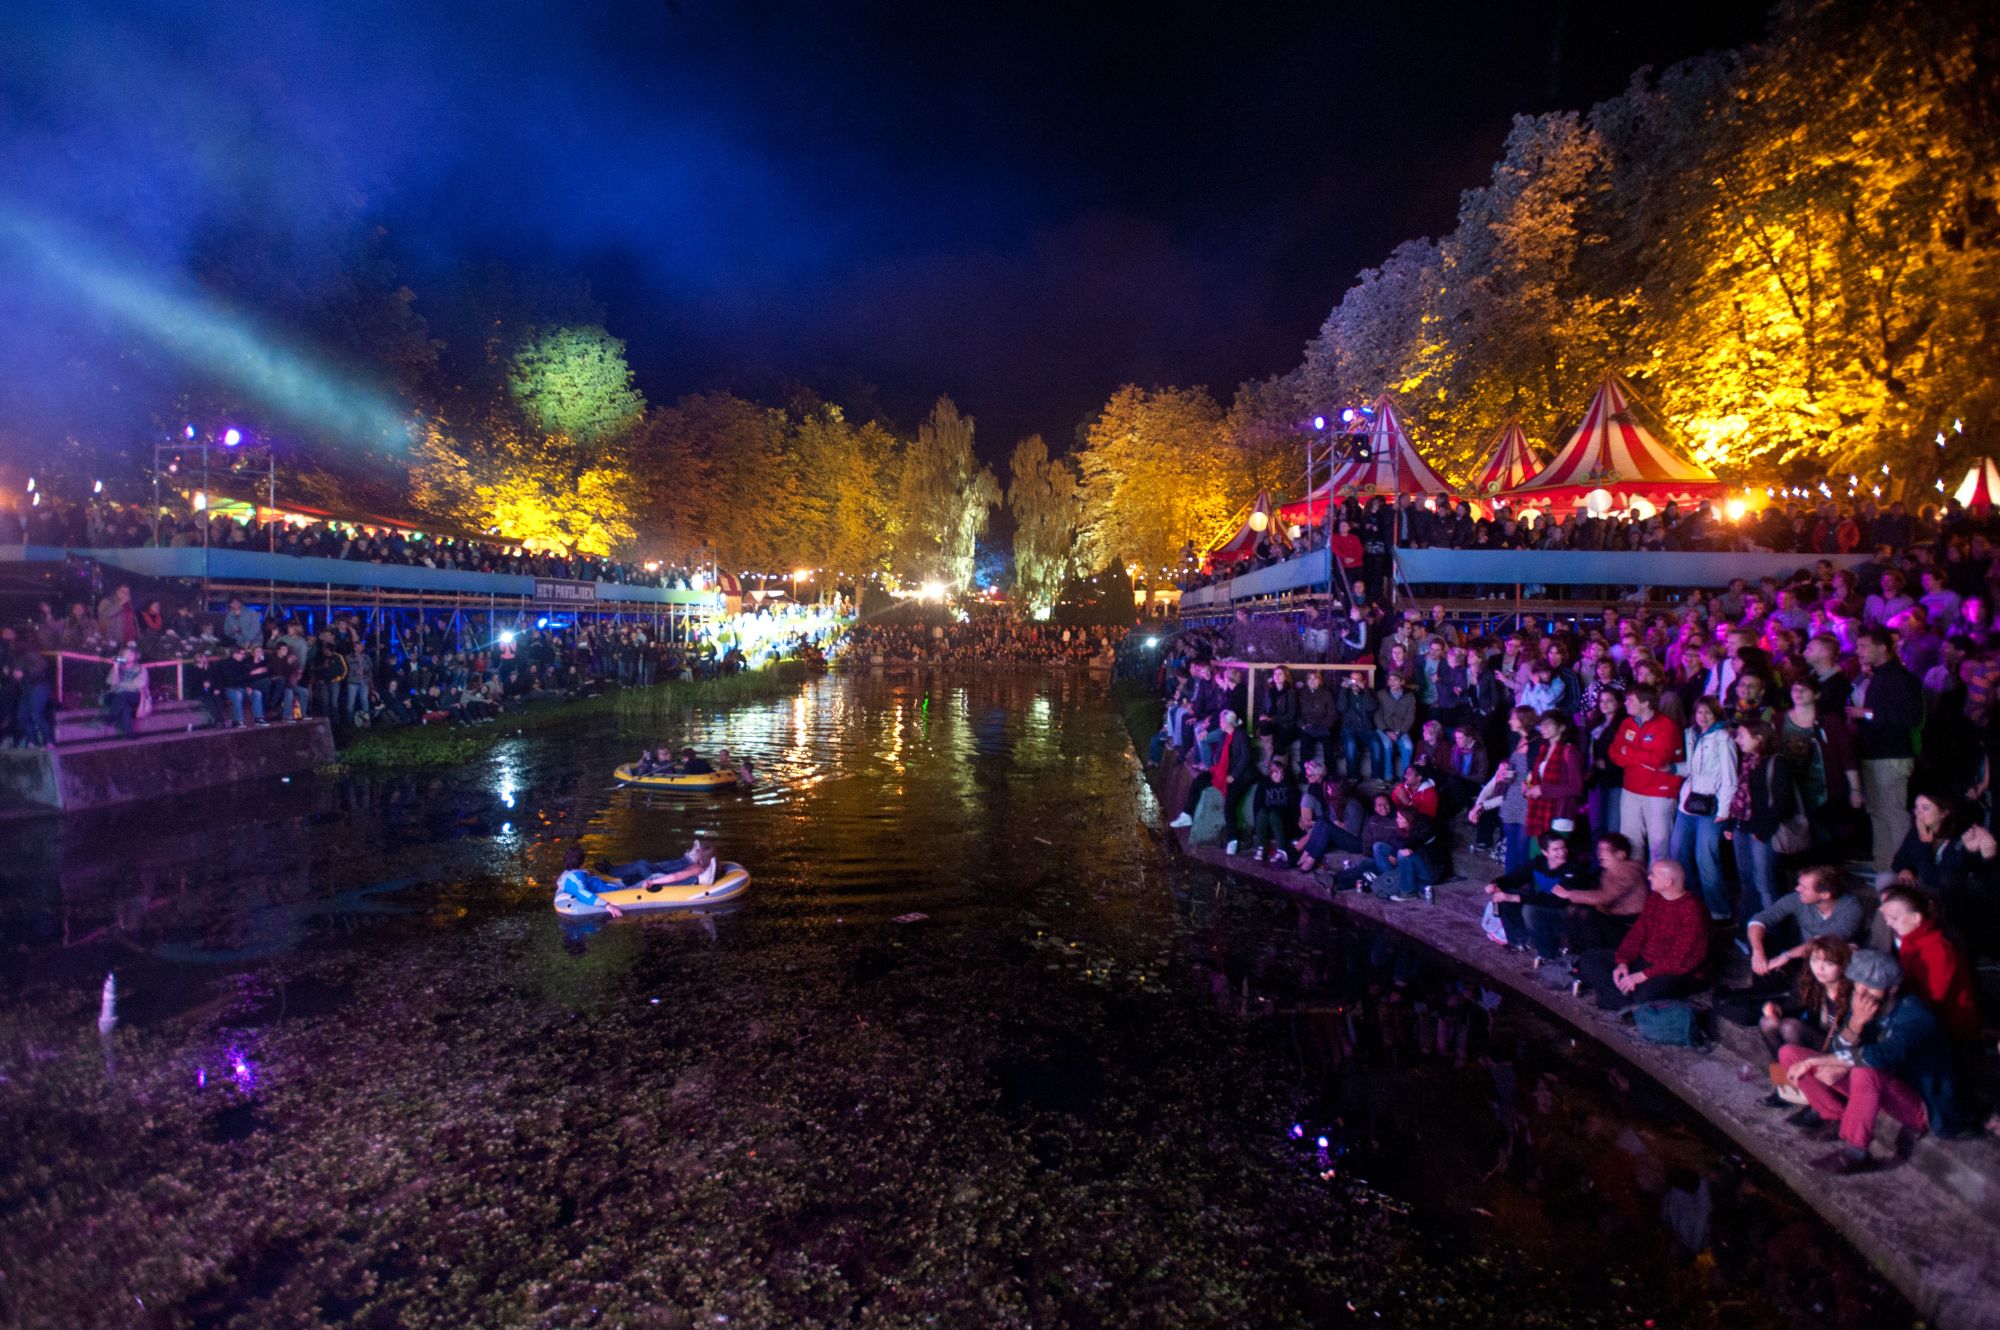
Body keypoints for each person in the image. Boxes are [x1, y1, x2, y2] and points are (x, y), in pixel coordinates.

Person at [1778, 948, 1962, 1174]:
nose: (1862, 992)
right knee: (1790, 1053)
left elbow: (1886, 1054)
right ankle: (1835, 1117)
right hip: (1873, 1092)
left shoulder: (1915, 1016)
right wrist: (1855, 1022)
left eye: (1870, 986)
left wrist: (1833, 1062)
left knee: (1863, 1071)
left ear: (1892, 988)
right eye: (1858, 984)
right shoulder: (1861, 1007)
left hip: (1918, 1104)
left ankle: (1855, 1153)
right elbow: (1837, 1047)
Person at [1573, 858, 1709, 1011]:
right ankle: (1625, 1001)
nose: (1649, 877)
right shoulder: (1655, 899)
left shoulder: (1693, 911)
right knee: (1589, 959)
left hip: (1676, 971)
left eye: (1653, 875)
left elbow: (1682, 959)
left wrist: (1642, 975)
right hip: (1645, 960)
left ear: (1668, 882)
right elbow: (1638, 934)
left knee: (1649, 992)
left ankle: (1616, 998)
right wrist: (1623, 962)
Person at [1848, 626, 1923, 873]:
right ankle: (1885, 868)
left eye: (1864, 646)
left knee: (1892, 813)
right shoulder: (1877, 677)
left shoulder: (1900, 678)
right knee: (1877, 813)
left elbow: (1909, 717)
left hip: (1892, 756)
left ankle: (1904, 870)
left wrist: (1864, 714)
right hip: (1874, 754)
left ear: (1883, 647)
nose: (1859, 651)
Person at [1876, 886, 1981, 1043]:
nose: (1889, 924)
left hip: (1947, 1026)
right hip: (1919, 1010)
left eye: (1894, 918)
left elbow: (1933, 998)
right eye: (1886, 919)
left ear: (1916, 918)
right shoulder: (1911, 939)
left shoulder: (1938, 949)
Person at [1723, 721, 1801, 924]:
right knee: (1746, 879)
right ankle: (1751, 924)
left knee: (1763, 882)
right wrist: (1732, 824)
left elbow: (1782, 802)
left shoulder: (1777, 762)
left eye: (1741, 735)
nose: (1737, 740)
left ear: (1759, 738)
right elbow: (1740, 794)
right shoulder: (1748, 760)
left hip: (1762, 832)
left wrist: (1763, 831)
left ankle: (1774, 930)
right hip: (1743, 828)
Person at [1670, 696, 1738, 921]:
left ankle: (1719, 911)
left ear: (1716, 714)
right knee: (1678, 852)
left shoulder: (1723, 738)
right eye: (1700, 712)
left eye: (1708, 712)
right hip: (1688, 804)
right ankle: (1691, 901)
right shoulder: (1691, 734)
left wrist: (1724, 811)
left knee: (1706, 859)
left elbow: (1730, 777)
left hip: (1710, 807)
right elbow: (1691, 767)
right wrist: (1671, 768)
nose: (1703, 716)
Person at [1608, 685, 1684, 863]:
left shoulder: (1667, 725)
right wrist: (1641, 758)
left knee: (1659, 845)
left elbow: (1659, 760)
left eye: (1630, 700)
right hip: (1631, 789)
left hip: (1659, 792)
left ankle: (1658, 889)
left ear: (1645, 703)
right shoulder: (1627, 723)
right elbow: (1614, 753)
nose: (1625, 703)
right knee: (1630, 842)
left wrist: (1630, 753)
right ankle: (1636, 887)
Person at [1757, 936, 1853, 1068]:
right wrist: (1775, 1008)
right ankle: (1785, 1073)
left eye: (1829, 963)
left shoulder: (1852, 991)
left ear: (1843, 966)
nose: (1820, 968)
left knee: (1790, 1027)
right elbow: (1791, 1005)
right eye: (1815, 960)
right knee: (1767, 1022)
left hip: (1838, 1049)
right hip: (1815, 1034)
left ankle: (1801, 1078)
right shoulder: (1811, 981)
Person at [553, 844, 626, 918]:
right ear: (582, 863)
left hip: (605, 887)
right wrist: (606, 905)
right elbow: (583, 893)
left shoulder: (567, 875)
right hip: (611, 891)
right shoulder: (576, 879)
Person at [1371, 671, 1417, 782]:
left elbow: (1410, 717)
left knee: (1408, 747)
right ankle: (1388, 776)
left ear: (1402, 682)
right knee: (1387, 745)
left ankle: (1406, 778)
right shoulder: (1381, 694)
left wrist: (1399, 732)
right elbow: (1378, 715)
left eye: (1395, 680)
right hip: (1384, 729)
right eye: (1390, 680)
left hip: (1401, 729)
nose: (1392, 682)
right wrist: (1387, 731)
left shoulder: (1410, 696)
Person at [1249, 759, 1295, 863]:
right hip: (1267, 819)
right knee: (1262, 812)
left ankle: (1281, 850)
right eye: (1276, 772)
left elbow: (1294, 804)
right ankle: (1260, 848)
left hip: (1283, 819)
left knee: (1274, 814)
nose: (1280, 775)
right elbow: (1257, 804)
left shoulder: (1288, 782)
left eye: (1281, 772)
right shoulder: (1264, 783)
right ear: (1271, 773)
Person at [103, 645, 146, 739]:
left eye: (131, 654)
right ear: (122, 656)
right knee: (125, 707)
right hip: (116, 695)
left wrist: (120, 684)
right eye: (126, 654)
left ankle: (111, 717)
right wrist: (116, 669)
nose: (129, 656)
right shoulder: (118, 667)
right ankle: (129, 733)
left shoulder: (140, 668)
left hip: (134, 695)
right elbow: (111, 682)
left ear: (135, 656)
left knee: (124, 695)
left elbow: (139, 684)